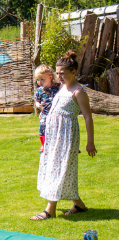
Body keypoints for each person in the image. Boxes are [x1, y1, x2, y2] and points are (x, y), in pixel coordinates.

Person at [32, 51, 97, 221]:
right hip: (53, 135)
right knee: (58, 168)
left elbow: (88, 117)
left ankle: (50, 210)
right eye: (57, 73)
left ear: (74, 72)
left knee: (58, 169)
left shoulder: (78, 92)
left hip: (66, 135)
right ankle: (79, 205)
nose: (59, 76)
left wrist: (90, 142)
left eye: (63, 73)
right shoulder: (61, 88)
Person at [33, 64, 61, 153]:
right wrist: (38, 105)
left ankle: (66, 144)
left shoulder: (58, 87)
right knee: (42, 126)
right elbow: (37, 100)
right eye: (38, 80)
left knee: (61, 127)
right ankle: (43, 144)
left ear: (50, 77)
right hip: (45, 112)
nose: (40, 82)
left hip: (57, 113)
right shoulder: (40, 90)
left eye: (42, 79)